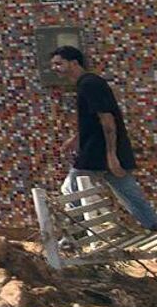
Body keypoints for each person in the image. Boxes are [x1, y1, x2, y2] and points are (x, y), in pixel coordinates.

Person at [49, 45, 157, 229]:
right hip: (100, 149)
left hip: (98, 152)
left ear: (74, 63)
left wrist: (111, 155)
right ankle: (153, 226)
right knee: (129, 194)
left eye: (59, 64)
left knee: (70, 190)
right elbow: (93, 119)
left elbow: (107, 120)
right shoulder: (87, 84)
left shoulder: (89, 84)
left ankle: (81, 233)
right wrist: (76, 138)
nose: (54, 68)